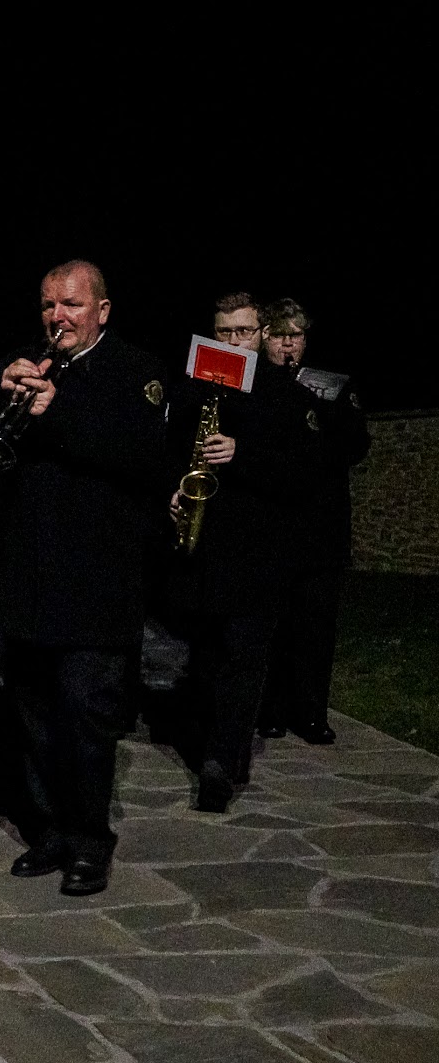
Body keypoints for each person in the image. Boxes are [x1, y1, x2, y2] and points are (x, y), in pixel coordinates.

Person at [0, 259, 167, 898]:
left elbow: (140, 457)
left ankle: (90, 841)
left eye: (71, 304)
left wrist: (56, 410)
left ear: (102, 311)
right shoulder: (30, 364)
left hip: (96, 583)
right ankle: (50, 831)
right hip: (29, 574)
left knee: (85, 717)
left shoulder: (135, 372)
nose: (56, 317)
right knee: (32, 715)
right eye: (47, 305)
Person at [167, 291, 324, 811]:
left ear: (262, 334)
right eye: (224, 332)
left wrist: (243, 453)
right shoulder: (197, 386)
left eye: (244, 331)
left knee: (244, 656)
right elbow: (167, 449)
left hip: (259, 551)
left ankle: (223, 762)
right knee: (208, 657)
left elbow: (304, 474)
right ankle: (214, 746)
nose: (233, 341)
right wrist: (172, 489)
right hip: (206, 548)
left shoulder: (286, 394)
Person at [257, 297, 369, 743]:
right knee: (273, 624)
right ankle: (270, 710)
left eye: (296, 335)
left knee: (316, 625)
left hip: (321, 526)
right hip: (273, 524)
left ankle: (311, 713)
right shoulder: (256, 383)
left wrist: (320, 419)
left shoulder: (332, 386)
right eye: (279, 335)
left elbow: (356, 445)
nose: (288, 344)